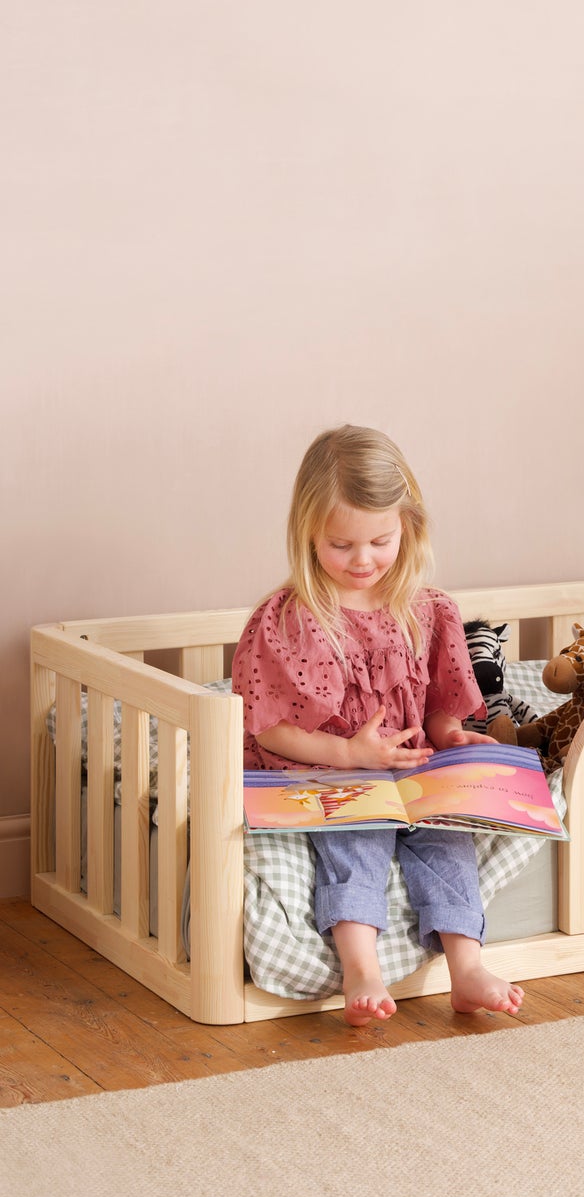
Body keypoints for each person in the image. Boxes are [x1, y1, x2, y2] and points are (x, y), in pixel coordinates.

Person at [232, 424, 524, 1026]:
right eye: (341, 545)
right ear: (308, 534)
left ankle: (466, 969)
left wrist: (449, 734)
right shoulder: (291, 619)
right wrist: (345, 755)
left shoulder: (426, 608)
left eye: (380, 541)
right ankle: (362, 967)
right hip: (326, 772)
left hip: (411, 769)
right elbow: (269, 728)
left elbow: (440, 700)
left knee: (447, 840)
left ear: (407, 529)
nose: (362, 560)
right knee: (354, 840)